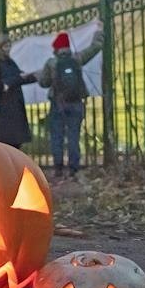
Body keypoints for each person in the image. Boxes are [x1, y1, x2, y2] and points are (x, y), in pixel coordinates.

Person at [37, 27, 103, 177]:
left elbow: (44, 82)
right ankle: (74, 168)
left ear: (56, 48)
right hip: (76, 103)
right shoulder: (77, 59)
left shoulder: (51, 63)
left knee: (57, 136)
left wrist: (40, 77)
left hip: (58, 105)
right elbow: (95, 47)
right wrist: (98, 30)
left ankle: (58, 167)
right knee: (74, 135)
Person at [0, 34, 38, 149]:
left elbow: (18, 77)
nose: (8, 49)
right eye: (5, 47)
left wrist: (33, 77)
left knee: (16, 140)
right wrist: (20, 78)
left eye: (9, 46)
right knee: (7, 139)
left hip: (15, 103)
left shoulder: (9, 61)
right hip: (6, 105)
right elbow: (5, 81)